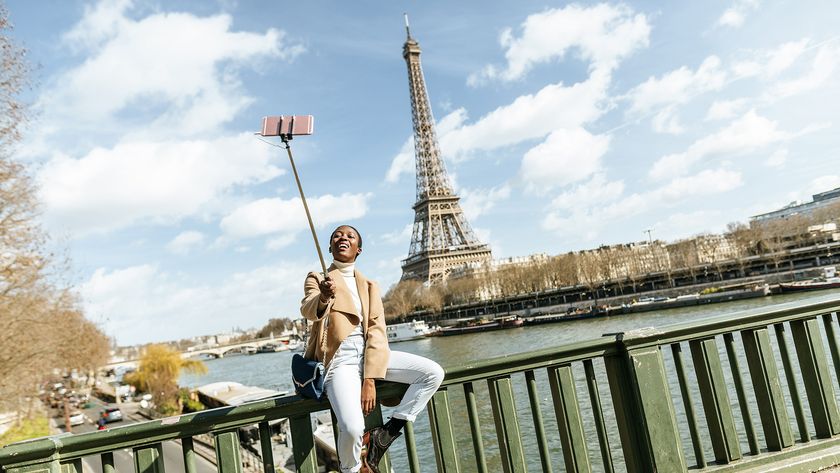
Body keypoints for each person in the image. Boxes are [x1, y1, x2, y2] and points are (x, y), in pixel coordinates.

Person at [300, 224, 444, 473]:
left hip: (371, 356)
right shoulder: (318, 278)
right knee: (353, 428)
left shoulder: (369, 285)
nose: (343, 238)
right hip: (341, 359)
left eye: (350, 236)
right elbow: (308, 310)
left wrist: (370, 379)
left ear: (359, 249)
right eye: (337, 235)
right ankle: (352, 469)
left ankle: (386, 434)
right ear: (330, 247)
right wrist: (323, 296)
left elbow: (377, 331)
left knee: (432, 373)